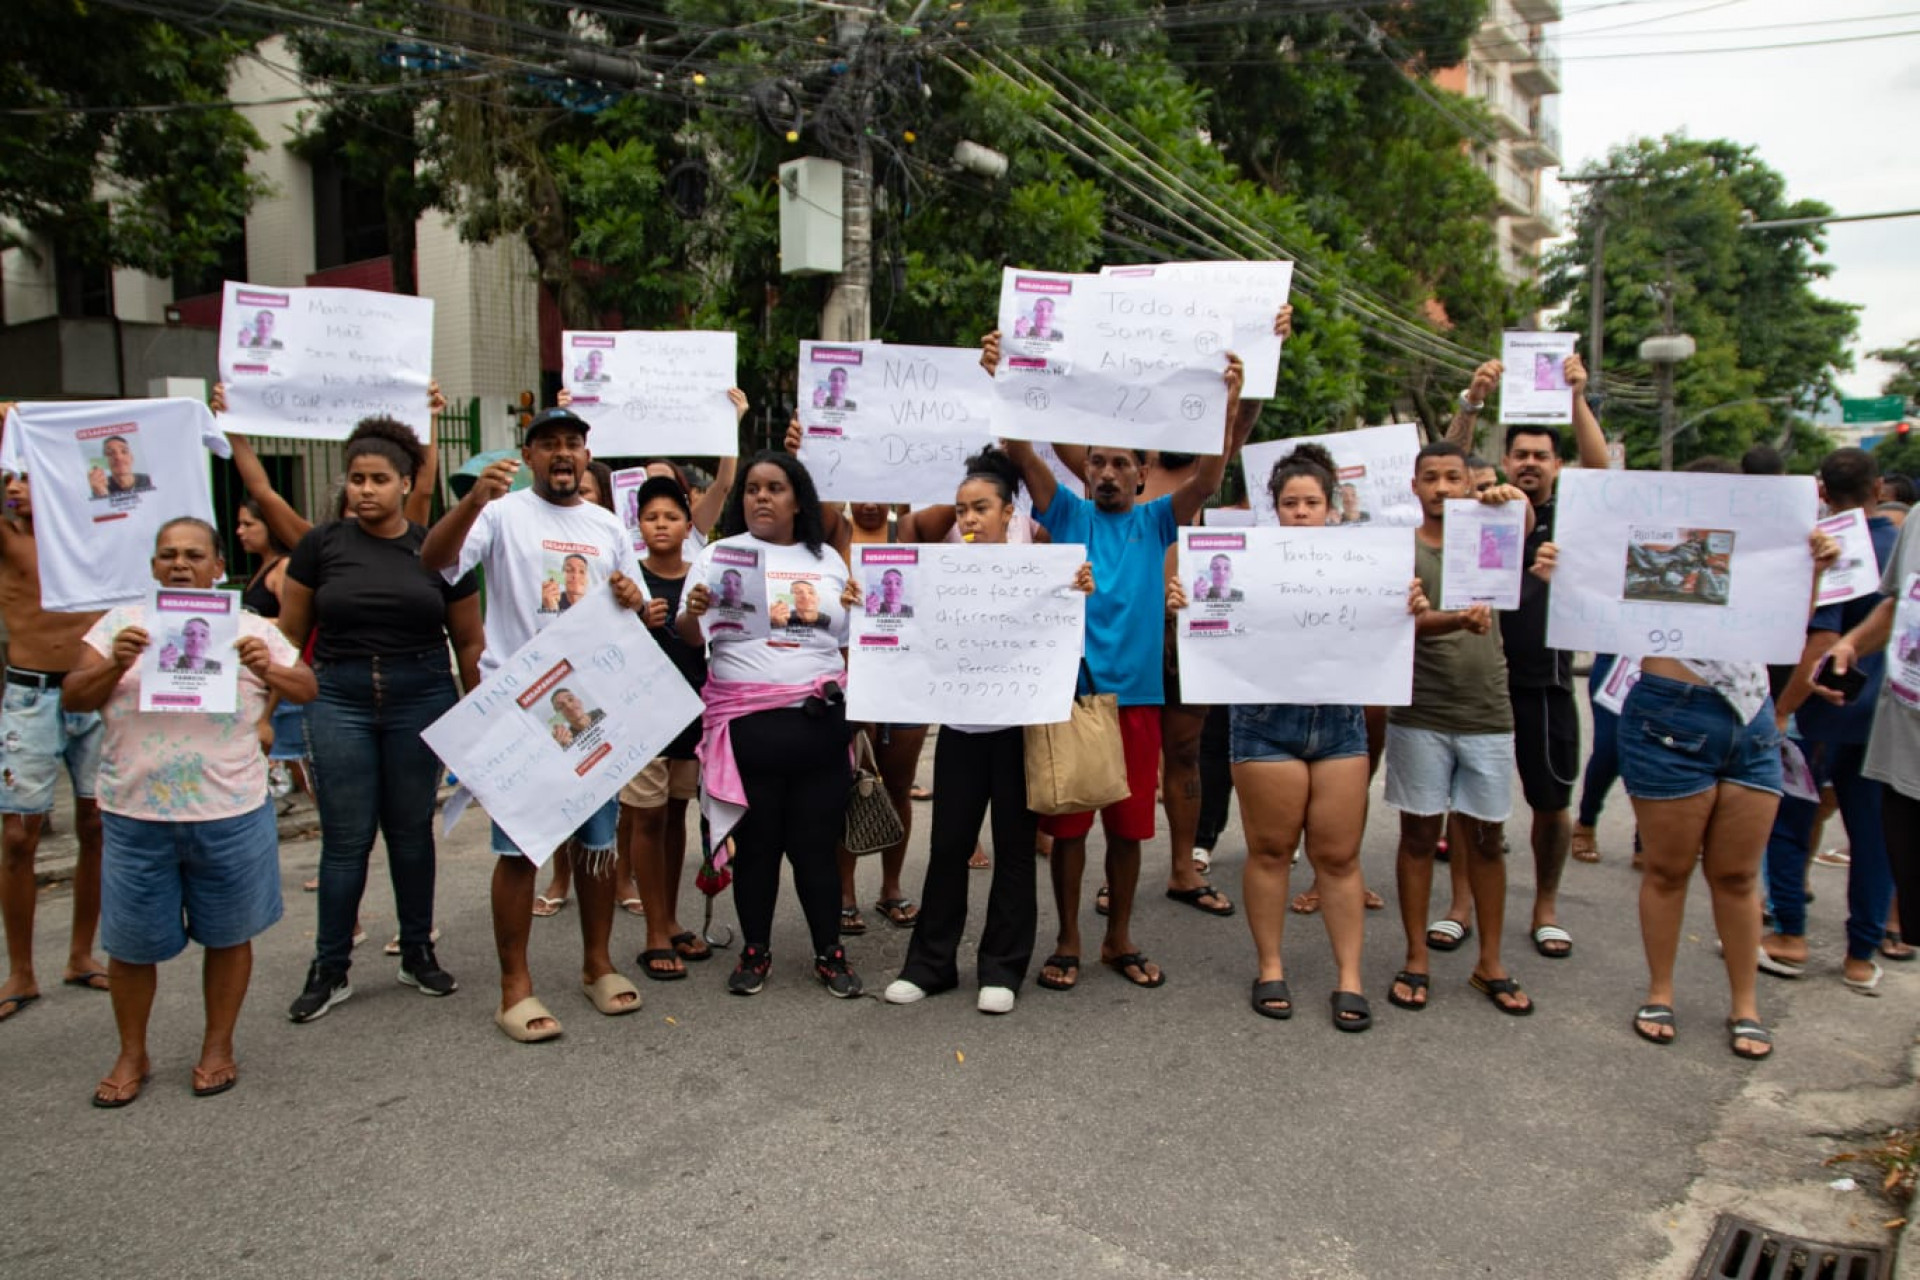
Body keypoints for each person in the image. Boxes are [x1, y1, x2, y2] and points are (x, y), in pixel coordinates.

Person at [985, 331, 1254, 990]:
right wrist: (1003, 378)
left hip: (1137, 701)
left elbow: (1211, 476)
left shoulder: (1159, 519)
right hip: (1074, 698)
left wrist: (1228, 405)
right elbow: (1020, 451)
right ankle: (1070, 940)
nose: (1106, 473)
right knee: (1071, 829)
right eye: (1097, 462)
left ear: (1142, 471)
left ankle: (1118, 938)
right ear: (1086, 470)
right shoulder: (1068, 511)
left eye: (1119, 464)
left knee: (1130, 830)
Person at [63, 517, 315, 1105]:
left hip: (228, 809)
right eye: (168, 555)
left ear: (218, 567)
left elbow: (306, 690)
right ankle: (132, 1054)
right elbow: (73, 696)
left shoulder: (250, 629)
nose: (180, 564)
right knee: (129, 945)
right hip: (135, 812)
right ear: (153, 566)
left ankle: (217, 1046)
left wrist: (266, 669)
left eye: (194, 555)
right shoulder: (121, 626)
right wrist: (113, 664)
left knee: (228, 936)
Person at [1175, 443, 1426, 1029]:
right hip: (1264, 723)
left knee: (1338, 856)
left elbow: (1388, 626)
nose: (1302, 511)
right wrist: (1186, 604)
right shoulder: (1247, 561)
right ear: (1275, 508)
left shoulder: (1369, 563)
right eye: (1291, 502)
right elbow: (1217, 624)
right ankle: (1270, 967)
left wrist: (1408, 605)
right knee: (1270, 851)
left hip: (1338, 722)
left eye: (1312, 501)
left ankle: (1349, 978)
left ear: (1332, 506)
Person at [422, 406, 649, 1042]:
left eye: (573, 443)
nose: (562, 453)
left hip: (588, 703)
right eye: (548, 443)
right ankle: (514, 987)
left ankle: (597, 964)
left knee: (598, 843)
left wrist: (636, 601)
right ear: (528, 457)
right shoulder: (500, 514)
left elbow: (633, 610)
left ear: (585, 455)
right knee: (518, 848)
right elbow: (434, 561)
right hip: (519, 707)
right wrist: (471, 502)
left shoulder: (607, 525)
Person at [281, 418, 483, 1023]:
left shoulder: (438, 550)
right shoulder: (320, 546)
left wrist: (479, 718)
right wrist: (266, 712)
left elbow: (469, 642)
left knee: (410, 832)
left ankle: (417, 951)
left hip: (419, 694)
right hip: (336, 696)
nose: (364, 490)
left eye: (378, 480)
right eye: (355, 479)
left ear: (406, 484)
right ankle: (330, 967)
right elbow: (287, 638)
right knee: (345, 841)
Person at [883, 446, 1094, 1014]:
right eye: (961, 510)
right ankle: (930, 966)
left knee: (1015, 849)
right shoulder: (941, 565)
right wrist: (867, 599)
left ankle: (1001, 969)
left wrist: (1077, 591)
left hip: (1018, 730)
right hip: (960, 727)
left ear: (1009, 514)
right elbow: (896, 605)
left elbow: (1064, 634)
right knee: (949, 845)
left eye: (980, 508)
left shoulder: (1042, 558)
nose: (969, 519)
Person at [1624, 520, 1839, 1060]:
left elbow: (1789, 623)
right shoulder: (1651, 546)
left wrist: (1813, 568)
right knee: (1668, 870)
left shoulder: (1758, 551)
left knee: (1739, 875)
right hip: (1668, 715)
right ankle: (1661, 992)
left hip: (1752, 720)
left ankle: (1746, 1005)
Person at [677, 451, 864, 997]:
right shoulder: (717, 555)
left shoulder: (828, 559)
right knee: (757, 850)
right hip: (749, 732)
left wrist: (857, 605)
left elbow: (849, 641)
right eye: (754, 488)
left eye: (775, 488)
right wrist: (693, 610)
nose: (762, 496)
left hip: (819, 727)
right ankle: (755, 952)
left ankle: (829, 952)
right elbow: (692, 637)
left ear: (797, 499)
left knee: (815, 849)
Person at [1385, 441, 1544, 1017]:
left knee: (1486, 842)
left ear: (1470, 482)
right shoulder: (1400, 551)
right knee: (1419, 838)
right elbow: (1402, 621)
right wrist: (1453, 619)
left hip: (1487, 713)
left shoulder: (1490, 534)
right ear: (1415, 485)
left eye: (1454, 477)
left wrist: (1512, 497)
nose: (1443, 488)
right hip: (1420, 712)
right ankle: (1415, 958)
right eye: (1431, 477)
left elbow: (1524, 519)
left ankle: (1492, 963)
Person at [1762, 448, 1899, 993]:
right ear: (1878, 489)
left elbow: (1820, 640)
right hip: (1879, 721)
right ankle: (1860, 956)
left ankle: (1789, 937)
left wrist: (1781, 710)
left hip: (1817, 718)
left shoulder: (1826, 550)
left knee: (1790, 828)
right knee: (1872, 837)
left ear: (1821, 491)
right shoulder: (1897, 547)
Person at [1492, 353, 1609, 961]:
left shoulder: (1576, 514)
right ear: (1505, 459)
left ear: (1557, 466)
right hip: (1482, 682)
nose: (1530, 464)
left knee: (1552, 802)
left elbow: (1602, 468)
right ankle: (1465, 902)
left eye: (1542, 456)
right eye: (1521, 455)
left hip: (1547, 682)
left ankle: (1545, 904)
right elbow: (1437, 470)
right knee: (1475, 804)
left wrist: (1577, 398)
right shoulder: (1484, 505)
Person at [0, 460, 110, 1021]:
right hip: (31, 696)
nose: (15, 488)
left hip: (91, 693)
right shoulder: (9, 538)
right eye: (7, 479)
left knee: (96, 824)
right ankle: (20, 969)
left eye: (25, 475)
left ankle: (80, 954)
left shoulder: (93, 538)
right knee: (19, 835)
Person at [625, 475, 713, 979]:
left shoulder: (703, 573)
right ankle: (654, 932)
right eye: (651, 517)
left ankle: (672, 918)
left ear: (688, 524)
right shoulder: (626, 578)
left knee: (676, 815)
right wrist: (635, 617)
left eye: (671, 517)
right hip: (643, 718)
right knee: (647, 819)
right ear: (637, 525)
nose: (662, 525)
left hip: (693, 713)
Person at [89, 437, 154, 498]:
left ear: (132, 458)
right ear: (104, 462)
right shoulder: (98, 488)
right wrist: (102, 494)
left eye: (124, 451)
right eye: (110, 453)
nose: (118, 457)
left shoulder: (150, 481)